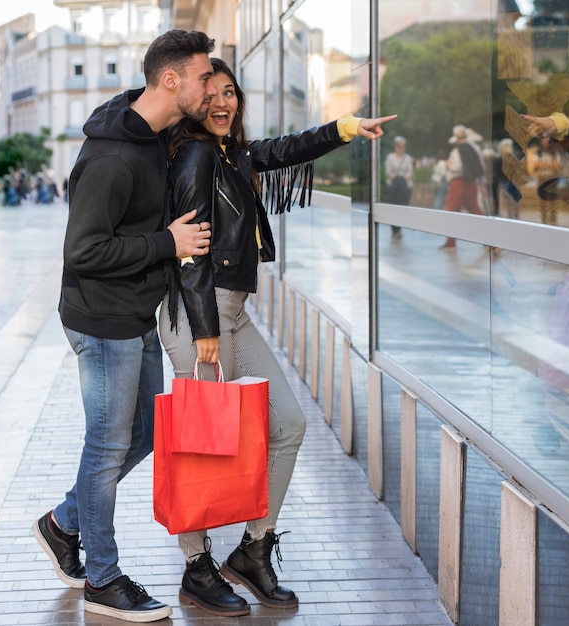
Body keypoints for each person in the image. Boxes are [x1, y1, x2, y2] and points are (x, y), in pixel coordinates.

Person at [159, 57, 396, 617]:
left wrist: (344, 128)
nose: (223, 103)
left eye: (231, 93)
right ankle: (196, 568)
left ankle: (253, 549)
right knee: (197, 440)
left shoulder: (231, 154)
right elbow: (189, 246)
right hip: (201, 315)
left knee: (287, 424)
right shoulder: (193, 154)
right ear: (193, 101)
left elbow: (287, 150)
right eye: (211, 93)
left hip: (231, 312)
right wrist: (206, 329)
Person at [32, 29, 217, 623]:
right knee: (107, 444)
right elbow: (83, 251)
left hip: (135, 313)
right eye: (202, 76)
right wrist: (168, 242)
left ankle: (64, 523)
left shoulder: (152, 138)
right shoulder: (112, 156)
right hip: (103, 318)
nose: (209, 85)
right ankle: (102, 580)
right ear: (171, 80)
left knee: (144, 434)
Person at [439, 124, 486, 251]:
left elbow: (456, 167)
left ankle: (450, 243)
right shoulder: (474, 147)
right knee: (476, 211)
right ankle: (490, 242)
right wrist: (482, 184)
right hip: (472, 182)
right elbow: (481, 167)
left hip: (458, 182)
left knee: (452, 211)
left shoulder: (456, 150)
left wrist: (447, 165)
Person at [384, 135, 413, 240]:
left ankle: (399, 229)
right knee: (393, 209)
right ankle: (394, 230)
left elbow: (410, 172)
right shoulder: (390, 157)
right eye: (399, 146)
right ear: (395, 146)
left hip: (404, 187)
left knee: (402, 209)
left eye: (402, 146)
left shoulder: (407, 158)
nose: (401, 148)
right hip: (393, 187)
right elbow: (388, 172)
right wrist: (396, 178)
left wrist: (402, 178)